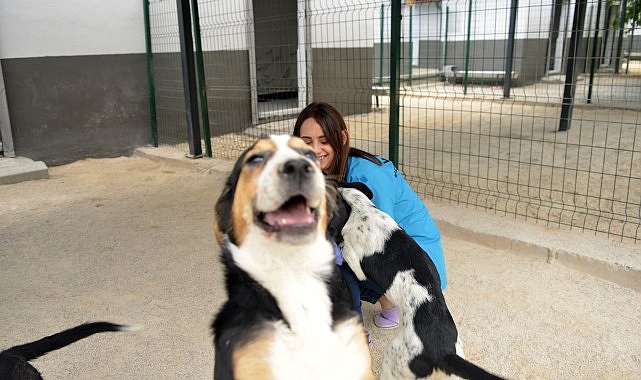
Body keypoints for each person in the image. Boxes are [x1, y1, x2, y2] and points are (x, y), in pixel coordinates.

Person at [293, 102, 447, 329]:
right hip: (406, 259)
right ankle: (390, 307)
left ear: (342, 137)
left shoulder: (366, 175)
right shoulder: (330, 168)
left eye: (324, 141)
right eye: (307, 142)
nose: (315, 149)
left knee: (334, 263)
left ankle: (354, 333)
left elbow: (381, 241)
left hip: (421, 271)